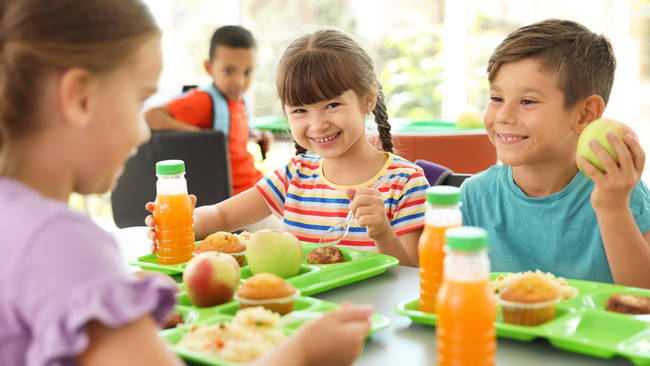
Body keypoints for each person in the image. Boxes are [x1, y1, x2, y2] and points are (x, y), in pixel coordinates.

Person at [0, 1, 373, 365]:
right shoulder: (64, 245)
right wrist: (301, 353)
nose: (143, 133)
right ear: (79, 98)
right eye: (138, 101)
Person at [146, 29, 429, 267]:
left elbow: (411, 275)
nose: (317, 125)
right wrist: (181, 223)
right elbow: (223, 216)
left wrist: (382, 233)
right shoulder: (295, 176)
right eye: (300, 110)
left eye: (332, 105)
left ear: (368, 100)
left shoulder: (405, 182)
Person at [460, 19, 650, 288]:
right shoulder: (475, 195)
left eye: (527, 101)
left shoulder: (618, 191)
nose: (503, 116)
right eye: (497, 98)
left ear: (585, 114)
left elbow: (643, 298)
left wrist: (612, 208)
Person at [144, 25, 272, 196]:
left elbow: (233, 139)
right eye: (229, 71)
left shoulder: (242, 100)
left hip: (255, 185)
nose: (239, 81)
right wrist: (202, 138)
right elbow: (150, 117)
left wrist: (256, 135)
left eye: (247, 72)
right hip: (234, 196)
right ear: (209, 67)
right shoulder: (203, 100)